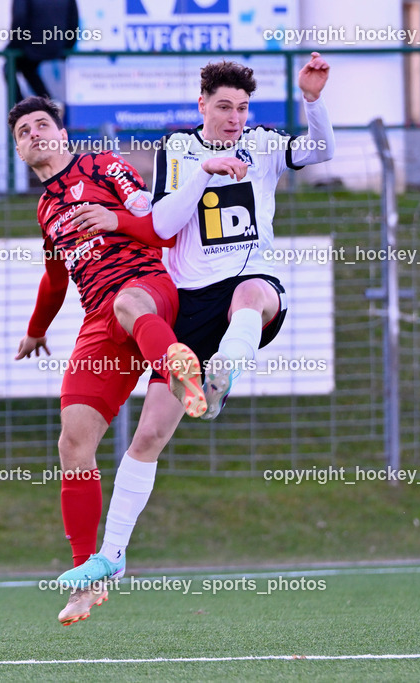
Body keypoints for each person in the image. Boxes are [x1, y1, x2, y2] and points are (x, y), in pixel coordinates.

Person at [55, 55, 335, 615]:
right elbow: (162, 224)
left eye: (243, 108)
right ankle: (111, 556)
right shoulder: (179, 150)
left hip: (248, 282)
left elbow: (320, 149)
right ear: (202, 105)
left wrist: (312, 100)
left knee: (252, 297)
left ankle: (227, 367)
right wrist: (208, 169)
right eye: (225, 107)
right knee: (148, 437)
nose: (235, 118)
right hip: (191, 302)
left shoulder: (262, 144)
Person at [9, 96, 207, 625]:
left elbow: (158, 226)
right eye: (23, 131)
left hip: (146, 290)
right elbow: (55, 277)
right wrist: (35, 330)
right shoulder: (46, 208)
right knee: (72, 440)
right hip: (99, 320)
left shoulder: (103, 165)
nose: (33, 133)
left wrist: (112, 217)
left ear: (63, 132)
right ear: (19, 149)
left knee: (127, 303)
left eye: (42, 124)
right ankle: (86, 579)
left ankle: (179, 369)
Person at [6, 0, 78, 102]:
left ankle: (23, 110)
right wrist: (66, 47)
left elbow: (19, 18)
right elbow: (74, 22)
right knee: (27, 69)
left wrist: (14, 45)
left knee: (8, 68)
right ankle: (50, 103)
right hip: (57, 46)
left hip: (33, 46)